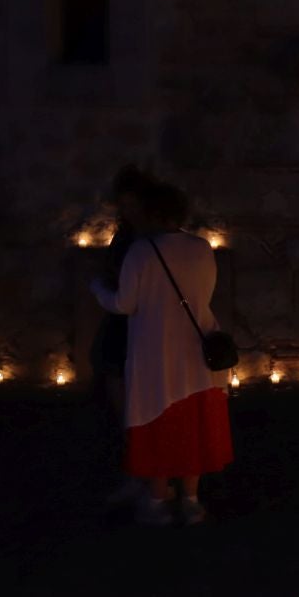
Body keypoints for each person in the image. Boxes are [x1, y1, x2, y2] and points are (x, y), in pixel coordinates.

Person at [90, 175, 233, 525]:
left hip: (155, 354)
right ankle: (192, 500)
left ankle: (157, 499)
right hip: (196, 353)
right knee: (193, 421)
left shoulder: (142, 252)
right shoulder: (201, 249)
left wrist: (97, 288)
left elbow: (124, 303)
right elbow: (205, 296)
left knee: (157, 422)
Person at [94, 167, 149, 505]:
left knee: (141, 408)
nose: (127, 211)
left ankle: (145, 474)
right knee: (125, 405)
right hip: (121, 329)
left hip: (139, 327)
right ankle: (137, 469)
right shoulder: (126, 236)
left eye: (133, 204)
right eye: (123, 205)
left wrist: (103, 286)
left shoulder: (146, 239)